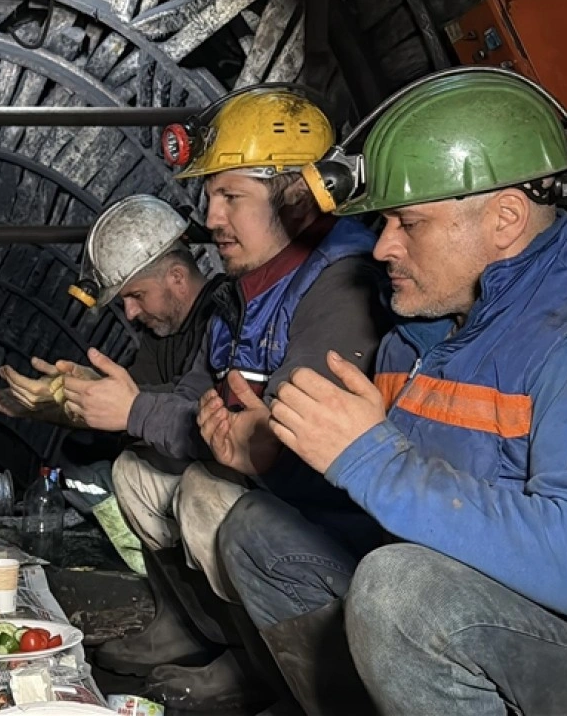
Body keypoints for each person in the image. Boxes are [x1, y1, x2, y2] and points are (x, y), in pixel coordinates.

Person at [253, 69, 567, 715]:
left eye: (408, 222)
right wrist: (280, 458)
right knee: (253, 529)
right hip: (472, 603)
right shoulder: (421, 331)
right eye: (383, 221)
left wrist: (375, 462)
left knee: (401, 591)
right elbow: (398, 504)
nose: (382, 246)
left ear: (504, 219)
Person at [56, 88, 390, 711]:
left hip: (341, 530)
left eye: (230, 196)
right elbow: (194, 396)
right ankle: (203, 634)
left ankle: (281, 676)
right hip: (283, 499)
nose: (211, 218)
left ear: (297, 194)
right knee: (138, 473)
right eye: (211, 196)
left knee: (206, 493)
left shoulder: (341, 285)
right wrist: (127, 408)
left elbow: (284, 449)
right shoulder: (248, 290)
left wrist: (135, 410)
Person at [0, 194, 230, 675]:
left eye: (136, 296)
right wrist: (52, 403)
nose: (130, 313)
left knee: (126, 470)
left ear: (177, 278)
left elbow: (171, 410)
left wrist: (84, 399)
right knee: (85, 457)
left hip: (212, 468)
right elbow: (125, 406)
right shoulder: (162, 335)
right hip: (175, 463)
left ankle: (217, 636)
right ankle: (177, 614)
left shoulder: (224, 314)